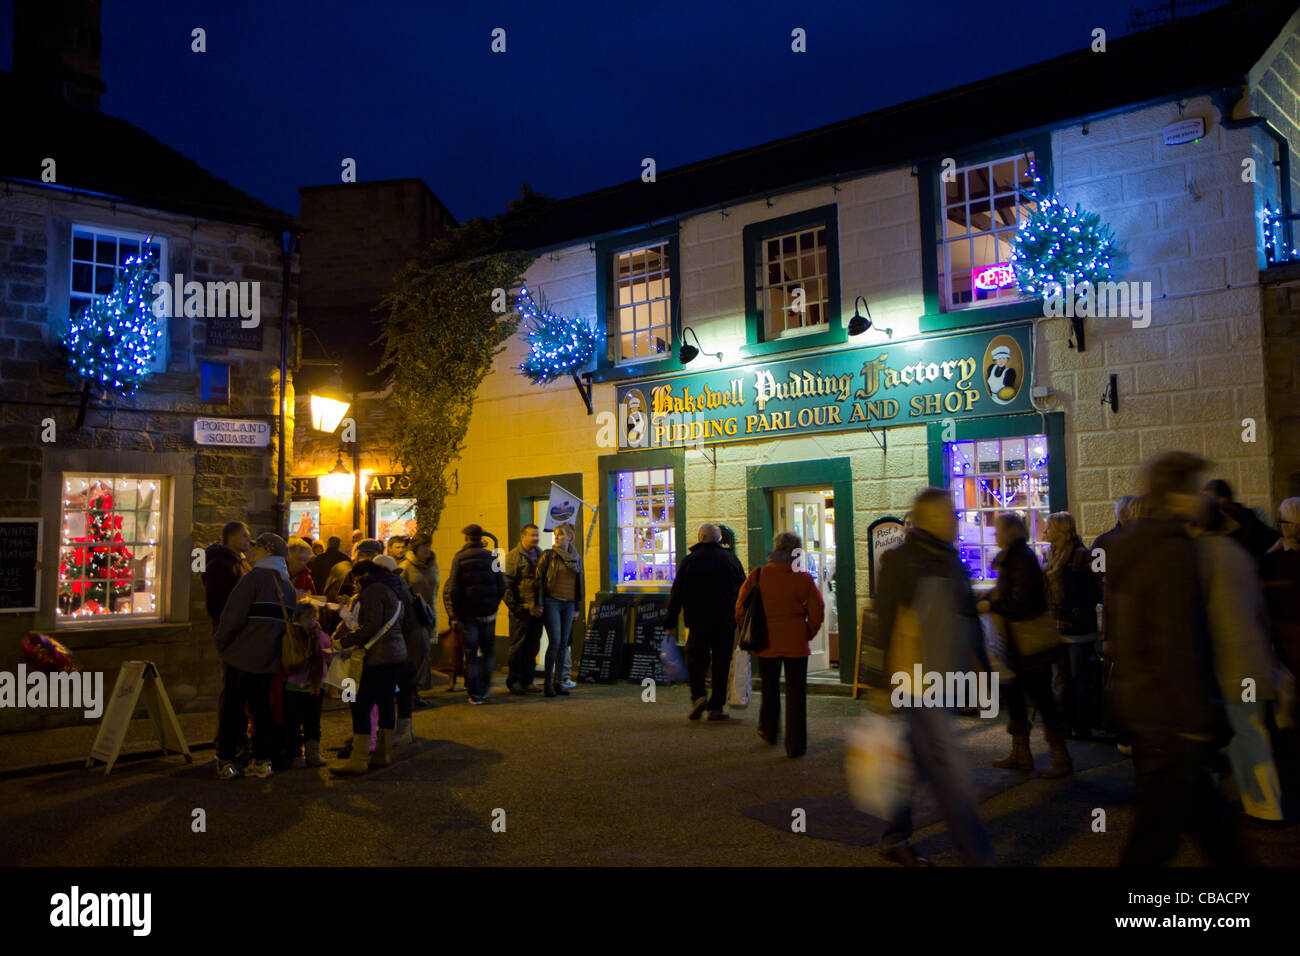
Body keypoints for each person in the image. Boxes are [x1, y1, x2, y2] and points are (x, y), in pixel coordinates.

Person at [1109, 452, 1247, 866]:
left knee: (1190, 830)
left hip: (1148, 711)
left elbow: (1127, 633)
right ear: (1180, 494)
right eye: (1195, 490)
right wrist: (1198, 721)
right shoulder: (1172, 550)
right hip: (1171, 719)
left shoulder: (1131, 542)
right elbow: (1177, 641)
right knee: (1165, 837)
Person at [868, 487, 994, 866]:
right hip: (918, 683)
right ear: (928, 518)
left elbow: (969, 619)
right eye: (949, 513)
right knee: (949, 771)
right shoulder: (904, 561)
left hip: (946, 680)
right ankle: (977, 854)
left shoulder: (949, 560)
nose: (956, 519)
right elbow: (883, 622)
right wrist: (878, 684)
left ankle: (894, 838)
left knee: (912, 763)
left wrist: (983, 676)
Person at [1193, 497, 1285, 823]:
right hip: (1253, 659)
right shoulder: (1238, 554)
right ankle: (1262, 803)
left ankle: (1263, 806)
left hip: (1229, 664)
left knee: (1242, 733)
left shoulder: (1201, 557)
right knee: (1251, 731)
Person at [980, 512, 1071, 777]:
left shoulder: (1021, 558)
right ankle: (1021, 754)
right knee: (1016, 698)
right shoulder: (1013, 557)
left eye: (998, 530)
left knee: (1042, 699)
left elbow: (1023, 602)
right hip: (1013, 644)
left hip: (1028, 645)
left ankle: (1060, 758)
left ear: (1009, 532)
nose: (994, 534)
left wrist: (991, 604)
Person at [211, 532, 296, 780]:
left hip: (242, 655)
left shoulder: (254, 579)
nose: (252, 550)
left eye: (257, 547)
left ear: (267, 551)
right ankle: (262, 760)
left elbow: (232, 617)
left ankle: (225, 759)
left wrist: (222, 643)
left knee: (233, 709)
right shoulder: (286, 586)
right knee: (262, 710)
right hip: (268, 659)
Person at [735, 531, 823, 757]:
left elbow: (741, 607)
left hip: (766, 641)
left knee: (769, 687)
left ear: (774, 549)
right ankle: (795, 744)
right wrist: (807, 632)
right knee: (796, 693)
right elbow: (817, 611)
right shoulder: (803, 579)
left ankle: (770, 730)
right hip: (795, 641)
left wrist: (748, 628)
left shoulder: (759, 575)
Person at [331, 557, 408, 775]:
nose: (354, 585)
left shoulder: (372, 591)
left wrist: (344, 641)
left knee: (360, 704)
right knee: (385, 702)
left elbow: (370, 625)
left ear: (363, 576)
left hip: (377, 657)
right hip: (395, 654)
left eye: (355, 581)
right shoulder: (393, 589)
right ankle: (382, 754)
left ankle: (359, 759)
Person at [668, 524, 745, 720]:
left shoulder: (690, 561)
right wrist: (742, 620)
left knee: (696, 661)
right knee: (721, 663)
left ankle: (699, 696)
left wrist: (670, 621)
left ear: (700, 537)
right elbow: (743, 592)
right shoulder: (731, 560)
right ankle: (716, 706)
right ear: (719, 540)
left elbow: (677, 593)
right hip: (724, 621)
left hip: (698, 621)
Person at [1043, 512, 1103, 740]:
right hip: (1056, 626)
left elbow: (1098, 588)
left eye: (1049, 527)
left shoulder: (1086, 554)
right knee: (1060, 678)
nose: (1044, 531)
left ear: (1059, 530)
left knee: (1080, 679)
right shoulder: (1048, 554)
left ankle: (1082, 724)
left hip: (1078, 628)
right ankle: (1065, 722)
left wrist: (1079, 605)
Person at [443, 524, 507, 704]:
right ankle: (485, 688)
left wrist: (456, 612)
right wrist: (494, 605)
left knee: (471, 654)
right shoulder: (493, 556)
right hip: (489, 613)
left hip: (467, 615)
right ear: (481, 538)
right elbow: (502, 585)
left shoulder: (459, 559)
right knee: (488, 650)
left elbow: (454, 589)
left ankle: (475, 694)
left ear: (466, 538)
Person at [281, 600, 333, 768]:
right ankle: (295, 754)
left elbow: (329, 656)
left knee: (312, 720)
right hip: (294, 685)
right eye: (306, 616)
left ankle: (313, 753)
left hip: (315, 686)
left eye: (312, 616)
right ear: (298, 618)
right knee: (293, 721)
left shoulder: (321, 637)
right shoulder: (291, 636)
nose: (311, 620)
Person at [538, 523, 584, 698]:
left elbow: (579, 584)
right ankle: (548, 683)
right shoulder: (548, 556)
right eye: (556, 535)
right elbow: (540, 580)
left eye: (560, 535)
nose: (557, 538)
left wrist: (577, 607)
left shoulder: (575, 557)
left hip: (569, 604)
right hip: (552, 603)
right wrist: (540, 603)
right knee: (555, 641)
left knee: (564, 643)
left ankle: (559, 681)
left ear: (569, 538)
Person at [504, 524, 544, 695]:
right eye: (532, 535)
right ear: (523, 536)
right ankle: (515, 681)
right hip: (521, 611)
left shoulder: (541, 555)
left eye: (537, 535)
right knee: (518, 647)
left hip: (537, 610)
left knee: (533, 647)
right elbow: (506, 585)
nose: (535, 538)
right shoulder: (513, 557)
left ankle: (528, 680)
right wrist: (517, 607)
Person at [1204, 479, 1282, 566]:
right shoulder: (1217, 523)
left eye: (1210, 500)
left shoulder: (1244, 520)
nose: (1207, 505)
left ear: (1224, 500)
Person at [400, 532, 440, 697]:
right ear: (415, 548)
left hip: (428, 615)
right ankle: (411, 693)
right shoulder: (405, 567)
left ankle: (415, 691)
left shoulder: (433, 566)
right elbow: (401, 592)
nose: (427, 549)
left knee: (424, 654)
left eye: (429, 545)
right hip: (413, 617)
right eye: (423, 546)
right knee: (415, 655)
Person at [202, 520, 251, 623]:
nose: (249, 540)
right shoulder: (219, 564)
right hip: (228, 626)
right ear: (231, 537)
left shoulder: (242, 563)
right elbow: (215, 601)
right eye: (244, 536)